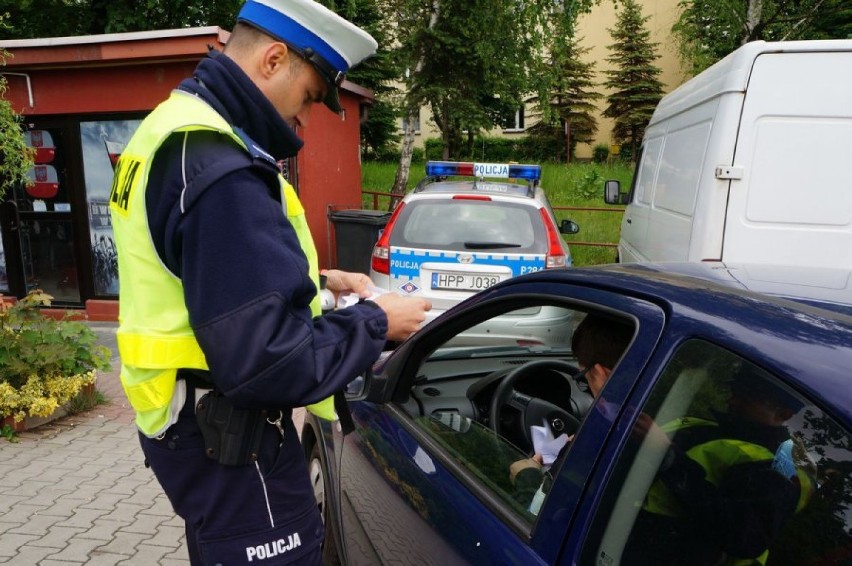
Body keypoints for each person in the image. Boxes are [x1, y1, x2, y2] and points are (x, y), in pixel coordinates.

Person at [108, 1, 431, 564]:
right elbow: (267, 360)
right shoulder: (221, 168)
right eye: (308, 96)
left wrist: (325, 282)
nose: (304, 118)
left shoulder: (174, 131)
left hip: (185, 422)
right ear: (274, 59)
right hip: (231, 438)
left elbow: (203, 266)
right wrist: (379, 321)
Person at [623, 368, 815, 565]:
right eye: (735, 393)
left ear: (782, 414)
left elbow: (745, 537)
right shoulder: (708, 428)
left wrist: (667, 457)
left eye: (746, 399)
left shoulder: (776, 469)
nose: (732, 401)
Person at [509, 313, 634, 514]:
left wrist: (528, 478)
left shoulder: (594, 443)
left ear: (602, 374)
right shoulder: (657, 422)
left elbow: (538, 518)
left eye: (583, 377)